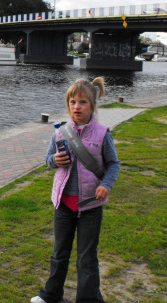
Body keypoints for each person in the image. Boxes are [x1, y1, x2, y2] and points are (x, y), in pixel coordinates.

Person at [31, 77, 120, 303]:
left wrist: (106, 184)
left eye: (82, 102)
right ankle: (51, 295)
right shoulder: (60, 132)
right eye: (72, 102)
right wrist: (54, 160)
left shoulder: (102, 134)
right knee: (59, 254)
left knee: (86, 258)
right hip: (63, 204)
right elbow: (47, 160)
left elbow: (113, 164)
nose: (76, 107)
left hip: (90, 205)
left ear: (92, 106)